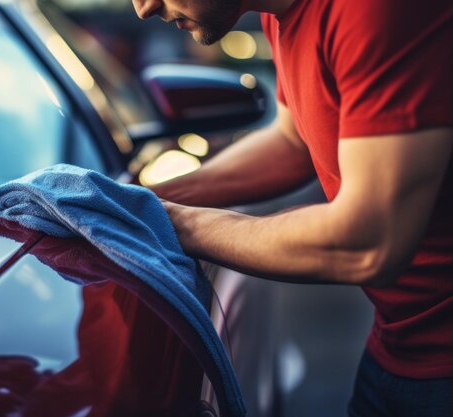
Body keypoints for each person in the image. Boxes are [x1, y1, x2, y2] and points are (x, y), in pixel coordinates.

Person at [131, 0, 453, 416]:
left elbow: (369, 243)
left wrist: (165, 220)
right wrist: (145, 199)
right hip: (401, 341)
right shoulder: (276, 12)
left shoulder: (374, 9)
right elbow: (293, 141)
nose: (143, 7)